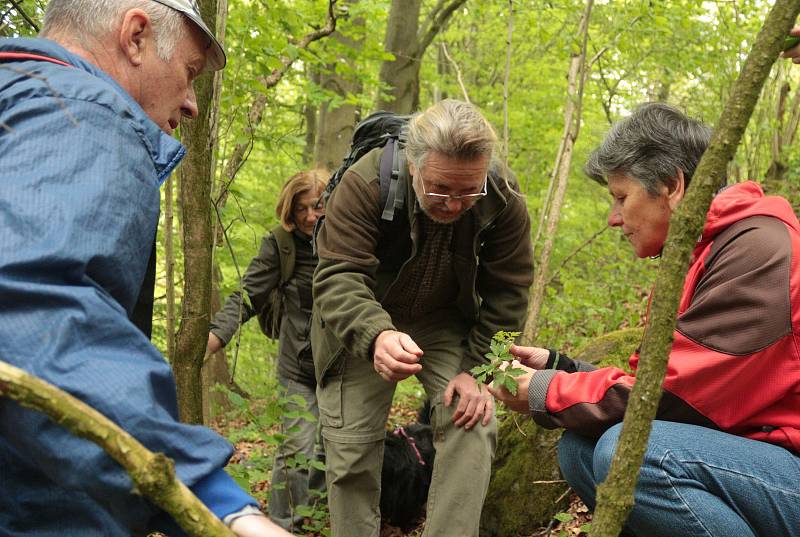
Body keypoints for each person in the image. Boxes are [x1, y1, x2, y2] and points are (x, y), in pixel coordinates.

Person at [0, 1, 290, 536]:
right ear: (135, 36)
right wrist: (215, 499)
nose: (192, 104)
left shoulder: (18, 97)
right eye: (189, 73)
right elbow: (31, 304)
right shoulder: (83, 114)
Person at [490, 103, 800, 537]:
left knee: (629, 452)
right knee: (581, 449)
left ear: (672, 185)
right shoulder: (702, 252)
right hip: (752, 452)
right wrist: (560, 366)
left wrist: (544, 390)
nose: (614, 218)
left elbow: (677, 401)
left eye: (621, 196)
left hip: (787, 467)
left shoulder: (757, 250)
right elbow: (662, 381)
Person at [312, 98, 534, 536]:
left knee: (473, 422)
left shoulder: (503, 198)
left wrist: (478, 370)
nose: (453, 204)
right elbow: (337, 276)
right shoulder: (364, 182)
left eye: (468, 191)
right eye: (439, 189)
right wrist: (376, 336)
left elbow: (509, 293)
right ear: (413, 167)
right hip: (364, 315)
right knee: (351, 448)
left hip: (444, 320)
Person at [208, 169, 328, 532]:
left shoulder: (351, 236)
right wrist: (214, 337)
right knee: (298, 449)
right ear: (289, 211)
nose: (309, 217)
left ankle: (318, 521)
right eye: (301, 209)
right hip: (297, 367)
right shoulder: (281, 244)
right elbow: (248, 294)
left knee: (334, 451)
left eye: (317, 207)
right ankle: (283, 524)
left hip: (345, 367)